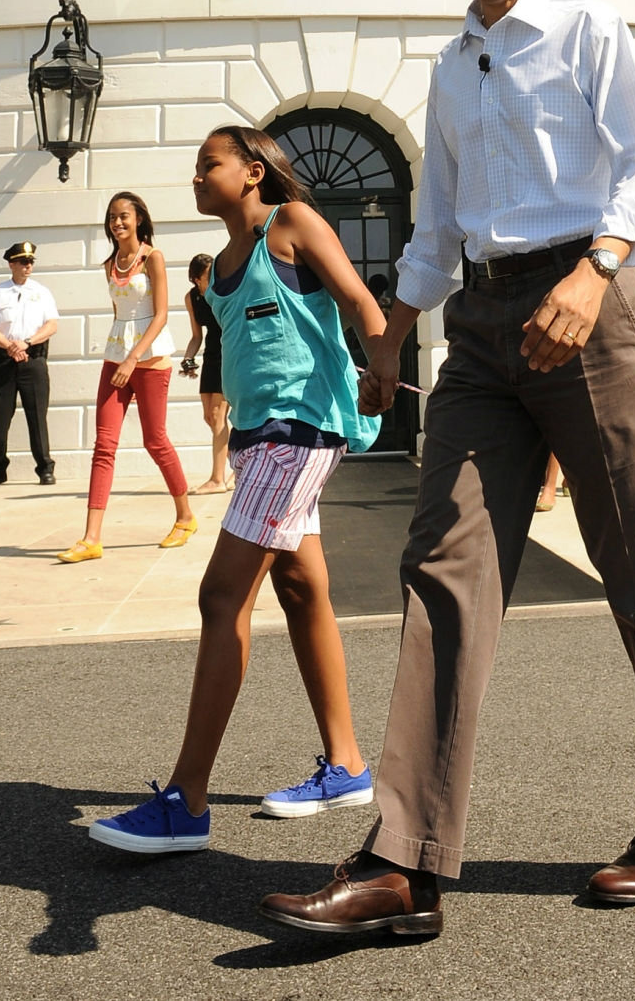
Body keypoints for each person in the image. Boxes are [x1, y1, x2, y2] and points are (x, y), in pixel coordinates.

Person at [259, 0, 635, 937]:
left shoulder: (587, 30)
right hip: (480, 324)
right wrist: (387, 334)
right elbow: (437, 221)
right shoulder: (450, 64)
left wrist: (596, 270)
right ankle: (403, 863)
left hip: (589, 308)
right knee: (443, 570)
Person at [88, 127, 385, 852]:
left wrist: (382, 368)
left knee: (222, 596)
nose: (197, 176)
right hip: (257, 439)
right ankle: (346, 765)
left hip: (300, 430)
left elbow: (359, 301)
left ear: (253, 172)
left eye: (209, 165)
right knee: (301, 589)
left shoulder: (292, 223)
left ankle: (186, 801)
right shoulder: (221, 262)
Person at [57, 192, 195, 563]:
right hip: (115, 356)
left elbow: (161, 314)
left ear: (138, 220)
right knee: (104, 445)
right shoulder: (109, 264)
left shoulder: (153, 257)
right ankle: (91, 538)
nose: (117, 222)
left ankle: (185, 517)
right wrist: (122, 357)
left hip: (149, 359)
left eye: (124, 216)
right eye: (112, 217)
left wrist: (133, 359)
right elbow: (120, 312)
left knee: (155, 440)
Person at [0, 241, 59, 487]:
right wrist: (10, 346)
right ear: (11, 264)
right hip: (4, 361)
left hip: (32, 361)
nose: (28, 266)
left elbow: (51, 325)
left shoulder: (41, 292)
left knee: (37, 417)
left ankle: (45, 468)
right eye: (23, 262)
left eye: (30, 262)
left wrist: (26, 343)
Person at [180, 253, 233, 495]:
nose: (213, 277)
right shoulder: (191, 298)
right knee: (210, 418)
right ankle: (240, 468)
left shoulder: (224, 291)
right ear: (196, 279)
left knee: (218, 414)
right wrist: (188, 360)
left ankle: (217, 479)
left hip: (229, 352)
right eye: (207, 274)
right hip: (211, 355)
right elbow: (196, 336)